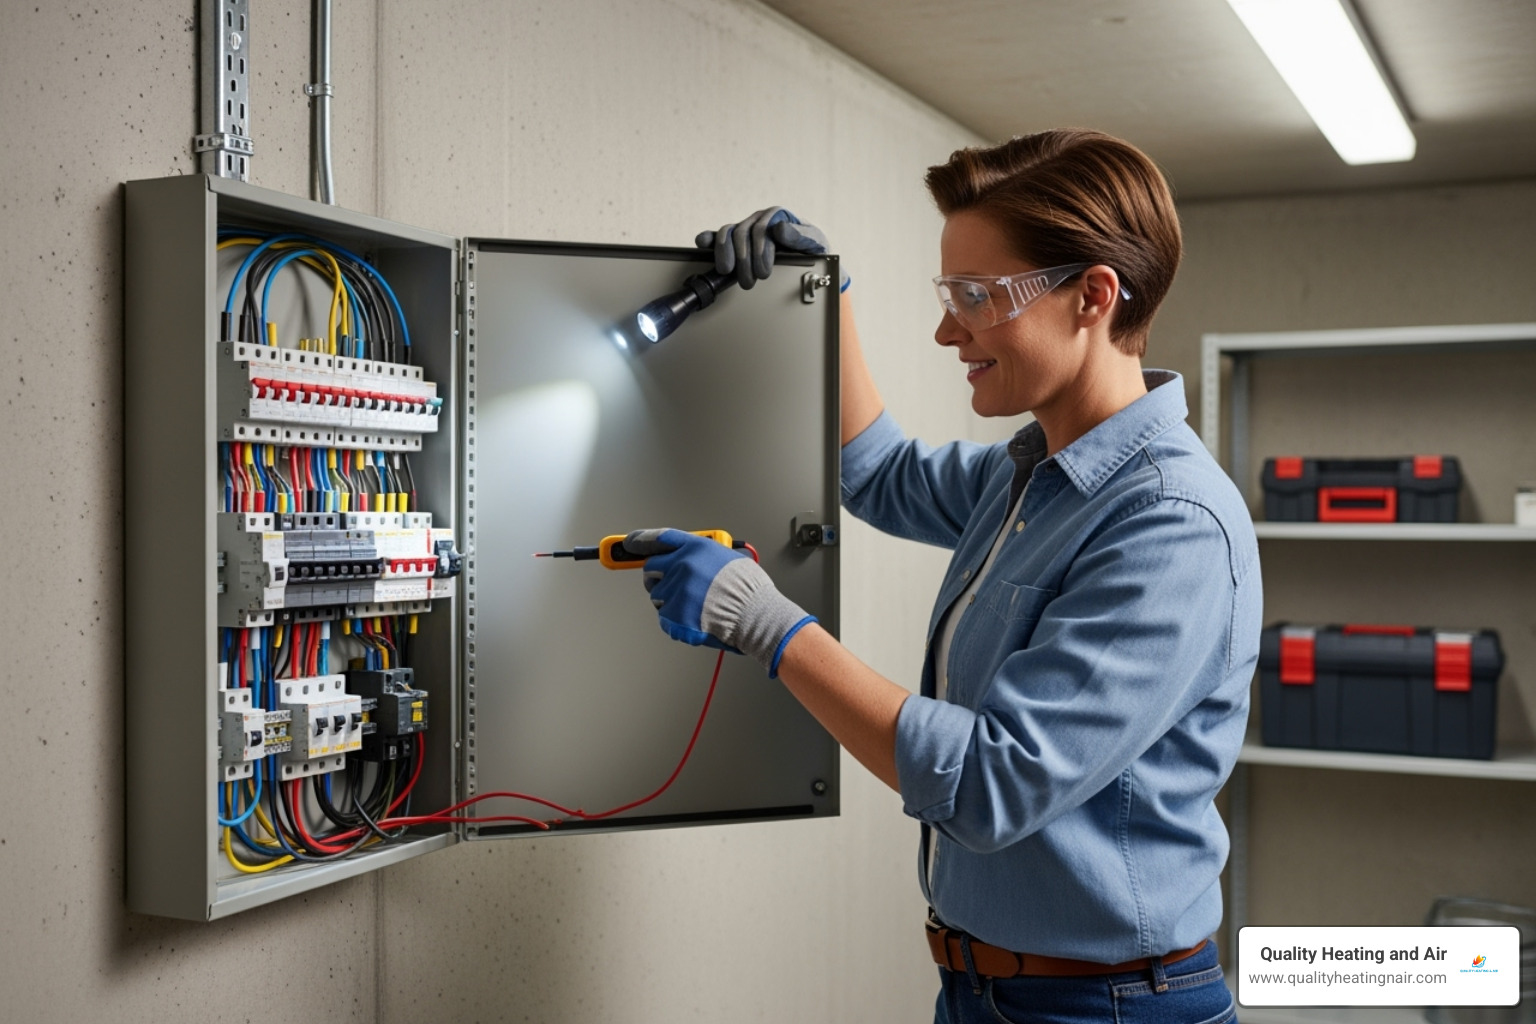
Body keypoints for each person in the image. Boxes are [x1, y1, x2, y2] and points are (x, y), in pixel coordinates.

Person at [626, 129, 1261, 1024]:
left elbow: (989, 785)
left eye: (976, 296)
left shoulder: (1170, 525)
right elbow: (875, 472)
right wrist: (823, 296)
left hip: (1109, 1009)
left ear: (1093, 297)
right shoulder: (1031, 476)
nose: (946, 328)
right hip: (982, 993)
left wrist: (768, 625)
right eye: (947, 292)